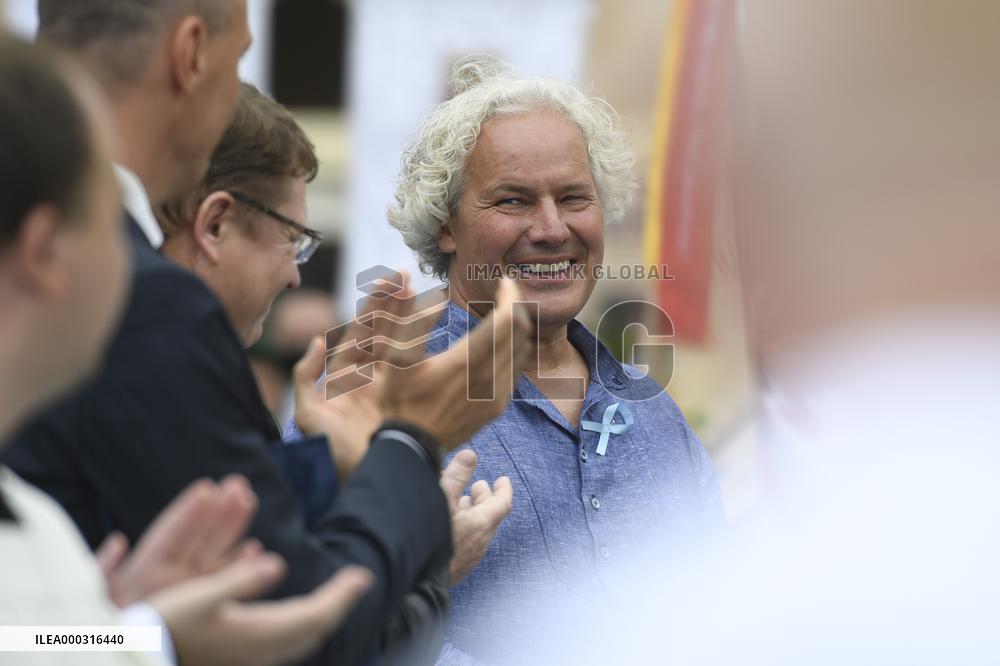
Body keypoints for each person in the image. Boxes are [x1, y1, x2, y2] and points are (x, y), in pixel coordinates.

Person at [4, 4, 533, 664]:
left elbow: (39, 636)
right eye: (239, 58)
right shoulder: (147, 301)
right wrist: (407, 441)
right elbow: (304, 626)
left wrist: (130, 629)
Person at [0, 34, 372, 666]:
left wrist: (125, 626)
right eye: (116, 219)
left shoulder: (31, 517)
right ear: (45, 248)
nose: (142, 249)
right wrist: (147, 634)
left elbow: (33, 642)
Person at [388, 56, 725, 663]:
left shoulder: (654, 414)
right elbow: (316, 630)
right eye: (513, 201)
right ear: (445, 225)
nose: (551, 229)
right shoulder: (375, 397)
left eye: (574, 198)